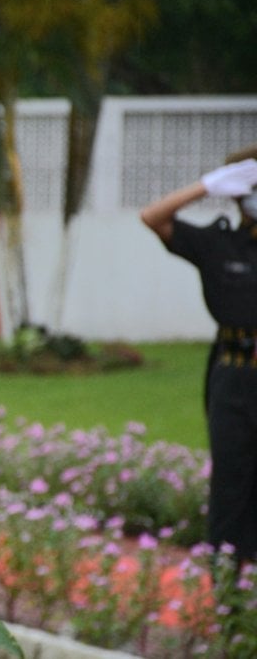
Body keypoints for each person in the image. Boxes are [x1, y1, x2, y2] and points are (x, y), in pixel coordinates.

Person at [140, 145, 257, 564]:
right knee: (230, 486)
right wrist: (206, 187)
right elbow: (153, 217)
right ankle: (227, 588)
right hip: (234, 378)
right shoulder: (219, 242)